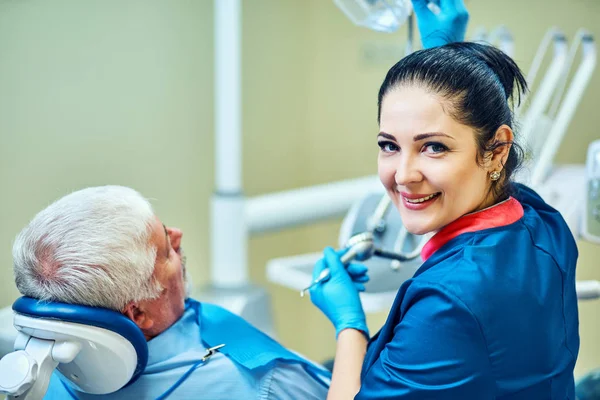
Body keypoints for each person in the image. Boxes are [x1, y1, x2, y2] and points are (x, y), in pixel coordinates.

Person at [309, 30, 580, 400]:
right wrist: (453, 59)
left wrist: (349, 324)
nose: (403, 174)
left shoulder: (448, 303)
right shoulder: (542, 220)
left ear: (497, 150)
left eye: (433, 147)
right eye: (389, 145)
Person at [12, 185, 331, 399]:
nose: (178, 236)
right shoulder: (264, 384)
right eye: (166, 251)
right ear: (138, 314)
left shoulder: (50, 379)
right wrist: (350, 328)